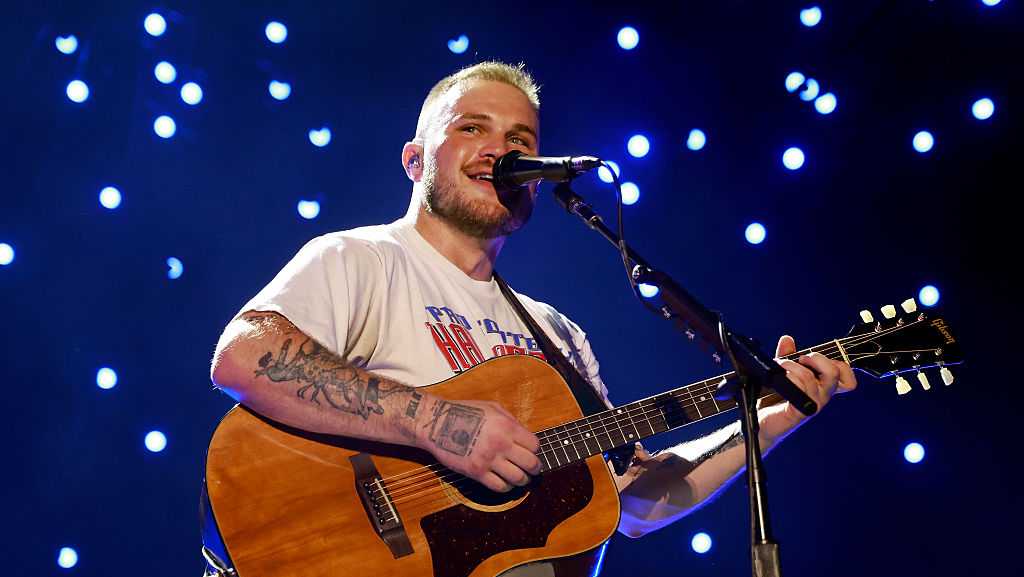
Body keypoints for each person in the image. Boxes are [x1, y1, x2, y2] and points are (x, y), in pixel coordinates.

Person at [209, 61, 856, 576]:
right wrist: (440, 422)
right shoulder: (361, 260)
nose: (501, 148)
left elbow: (630, 496)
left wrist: (769, 420)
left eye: (521, 140)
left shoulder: (560, 335)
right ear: (414, 160)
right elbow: (244, 355)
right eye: (472, 128)